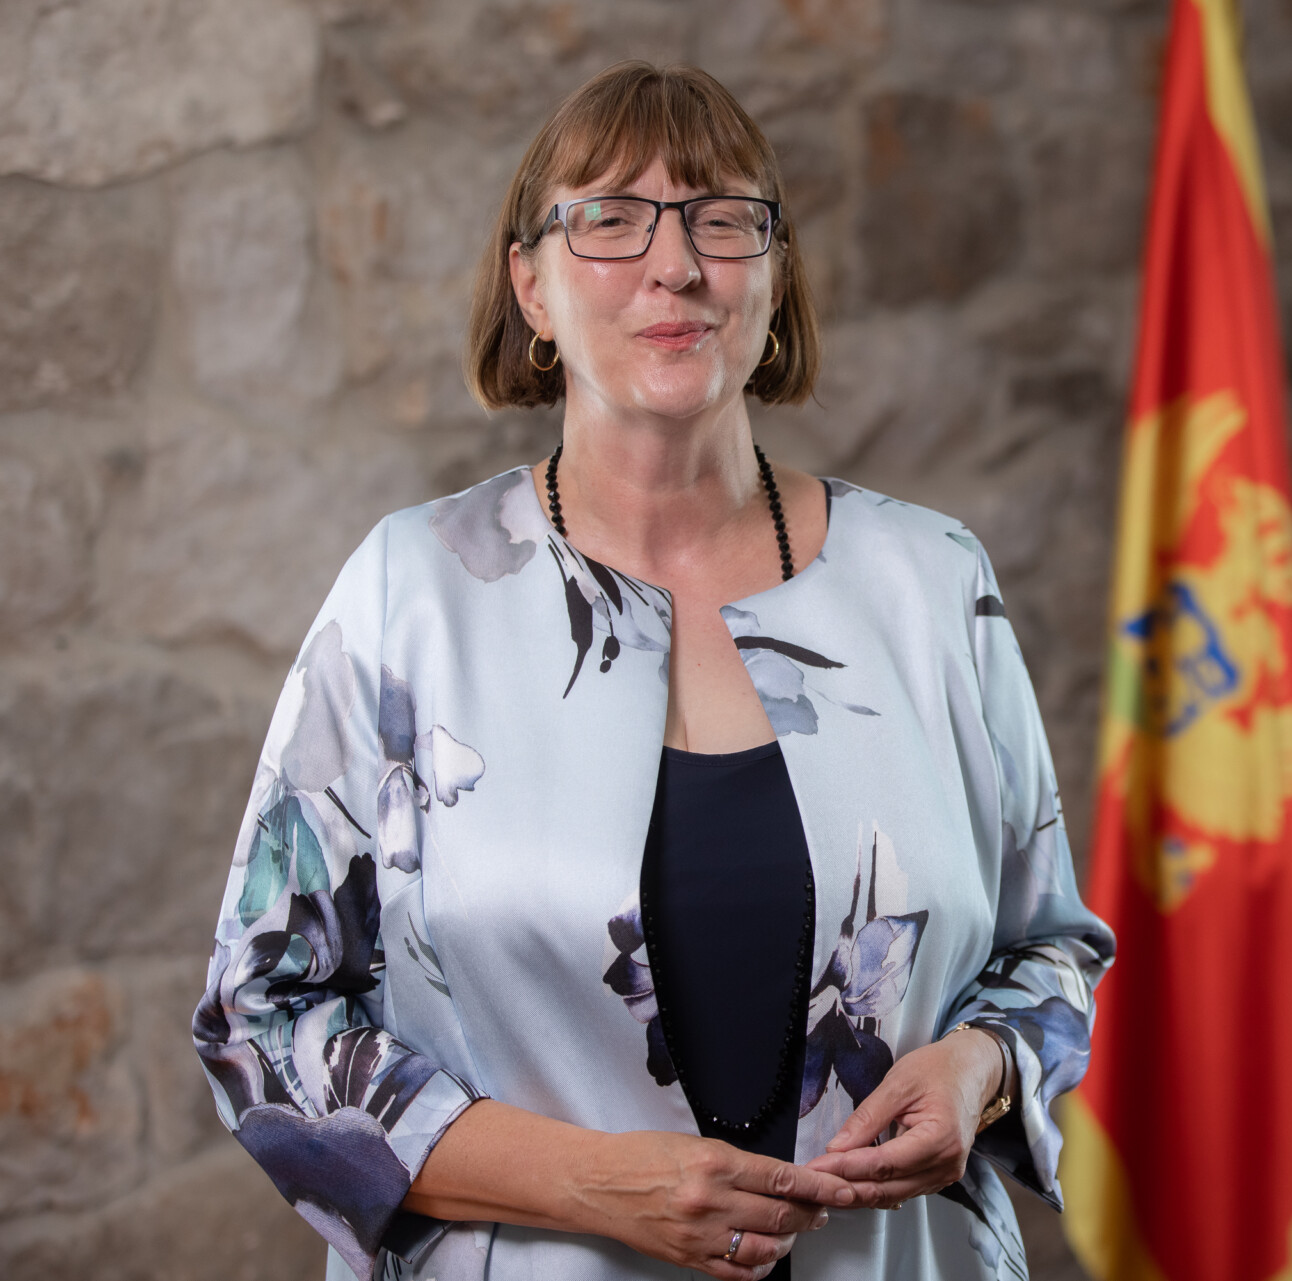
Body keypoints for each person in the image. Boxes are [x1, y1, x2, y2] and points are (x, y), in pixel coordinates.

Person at [191, 60, 1115, 1281]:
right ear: (531, 287)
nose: (674, 265)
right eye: (610, 219)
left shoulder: (935, 583)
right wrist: (587, 1182)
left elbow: (1050, 952)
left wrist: (979, 1068)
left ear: (773, 278)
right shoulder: (407, 598)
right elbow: (262, 1021)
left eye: (721, 219)